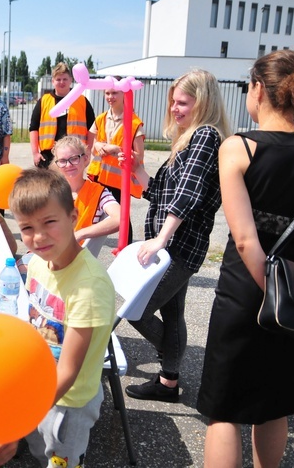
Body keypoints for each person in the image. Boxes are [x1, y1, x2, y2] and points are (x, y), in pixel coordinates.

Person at [198, 51, 294, 467]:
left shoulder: (239, 148)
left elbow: (247, 240)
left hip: (246, 290)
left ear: (257, 89)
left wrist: (274, 296)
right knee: (273, 406)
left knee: (224, 410)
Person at [0, 168, 116, 468]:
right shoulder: (37, 264)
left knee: (59, 459)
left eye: (49, 222)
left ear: (73, 219)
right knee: (38, 451)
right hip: (38, 388)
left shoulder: (88, 286)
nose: (39, 237)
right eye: (27, 227)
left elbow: (68, 372)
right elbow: (36, 323)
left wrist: (21, 419)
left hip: (67, 404)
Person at [124, 69, 231, 403]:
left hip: (178, 247)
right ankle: (168, 382)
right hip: (174, 245)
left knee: (135, 309)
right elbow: (163, 193)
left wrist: (160, 239)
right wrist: (137, 169)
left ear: (203, 102)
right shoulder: (190, 138)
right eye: (173, 101)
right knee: (173, 314)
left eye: (183, 102)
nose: (174, 108)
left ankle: (169, 356)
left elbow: (188, 194)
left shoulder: (205, 138)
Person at [87, 85, 145, 244]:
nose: (110, 97)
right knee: (94, 214)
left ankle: (125, 249)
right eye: (107, 93)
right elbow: (92, 148)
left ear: (123, 94)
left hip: (120, 181)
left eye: (114, 93)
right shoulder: (100, 119)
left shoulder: (134, 123)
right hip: (99, 177)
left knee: (122, 217)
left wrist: (116, 149)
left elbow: (139, 157)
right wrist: (97, 146)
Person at [53, 135, 121, 245]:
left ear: (85, 159)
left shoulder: (99, 192)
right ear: (57, 164)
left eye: (74, 158)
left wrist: (80, 234)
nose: (68, 165)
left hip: (74, 256)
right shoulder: (51, 191)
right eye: (62, 161)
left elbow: (120, 219)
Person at [29, 62, 96, 169]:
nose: (61, 82)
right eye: (58, 79)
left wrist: (88, 151)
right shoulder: (43, 101)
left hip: (74, 155)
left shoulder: (82, 101)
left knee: (72, 186)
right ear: (52, 81)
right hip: (47, 156)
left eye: (65, 79)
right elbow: (33, 128)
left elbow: (93, 128)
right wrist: (35, 153)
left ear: (71, 80)